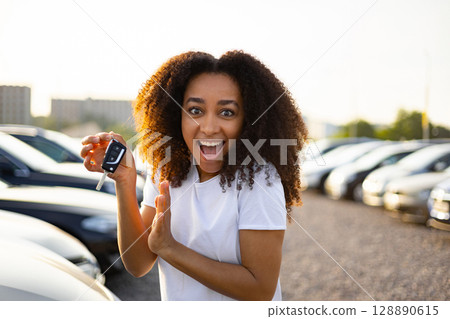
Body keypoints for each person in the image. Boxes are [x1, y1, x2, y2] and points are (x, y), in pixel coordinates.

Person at [80, 50, 308, 300]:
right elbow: (138, 264)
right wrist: (125, 181)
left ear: (248, 120)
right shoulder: (166, 170)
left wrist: (171, 249)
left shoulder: (260, 180)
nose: (209, 128)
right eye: (195, 110)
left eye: (227, 112)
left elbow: (260, 289)